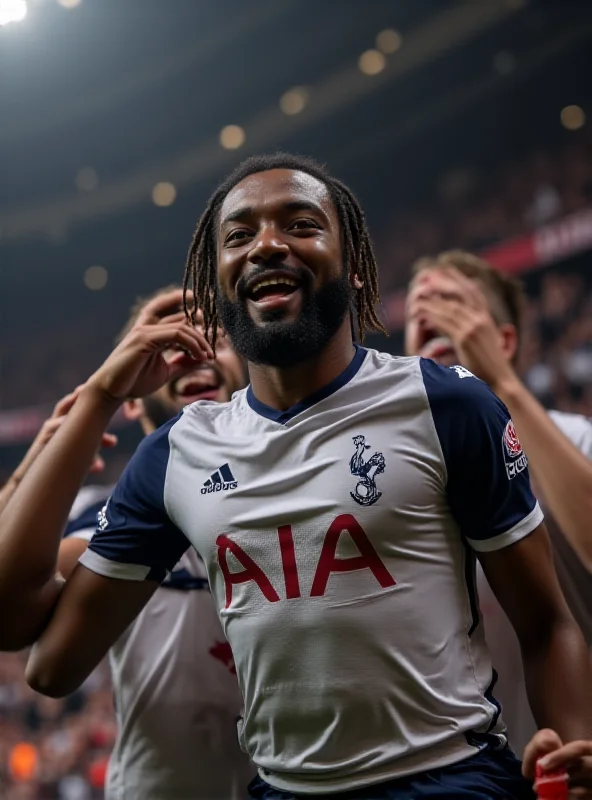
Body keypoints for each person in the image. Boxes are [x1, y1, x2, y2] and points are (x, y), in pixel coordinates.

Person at [1, 153, 591, 800]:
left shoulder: (447, 404)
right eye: (239, 235)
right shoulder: (176, 456)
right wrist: (99, 394)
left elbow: (547, 623)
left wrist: (568, 742)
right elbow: (45, 659)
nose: (267, 245)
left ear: (358, 269)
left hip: (448, 779)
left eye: (300, 223)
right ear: (219, 283)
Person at [0, 288, 253, 800]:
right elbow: (8, 616)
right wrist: (33, 467)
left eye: (217, 338)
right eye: (166, 344)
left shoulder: (300, 494)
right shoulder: (111, 517)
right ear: (133, 398)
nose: (195, 349)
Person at [404, 249, 592, 756]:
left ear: (503, 340)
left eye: (452, 303)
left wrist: (500, 382)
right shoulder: (394, 479)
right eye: (420, 313)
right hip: (463, 773)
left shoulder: (574, 439)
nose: (432, 316)